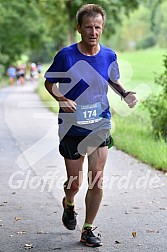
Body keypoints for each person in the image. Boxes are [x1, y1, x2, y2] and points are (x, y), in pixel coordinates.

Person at [44, 4, 137, 247]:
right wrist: (62, 99)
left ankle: (87, 229)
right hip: (72, 126)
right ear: (79, 29)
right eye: (88, 27)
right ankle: (69, 202)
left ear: (102, 28)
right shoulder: (66, 56)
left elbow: (112, 79)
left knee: (97, 177)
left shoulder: (109, 55)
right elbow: (49, 83)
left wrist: (125, 93)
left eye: (97, 27)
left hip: (100, 122)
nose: (93, 32)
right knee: (75, 182)